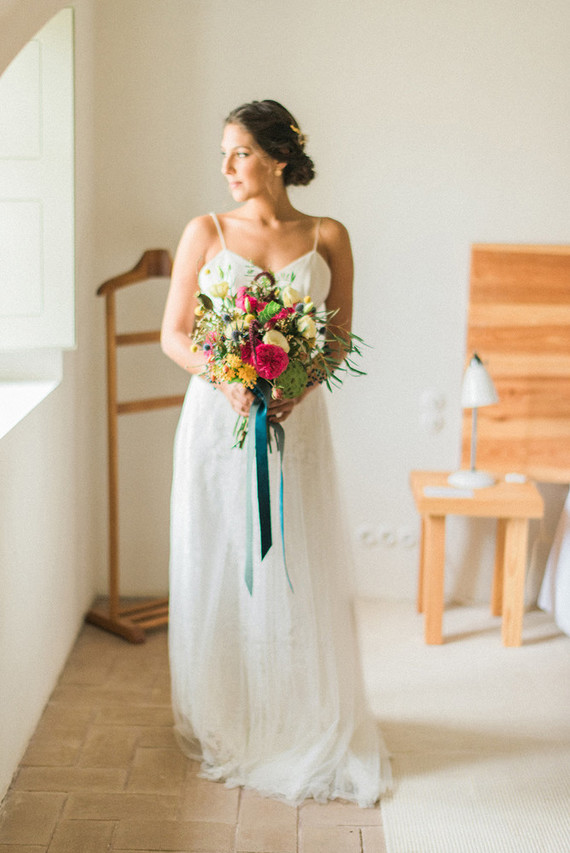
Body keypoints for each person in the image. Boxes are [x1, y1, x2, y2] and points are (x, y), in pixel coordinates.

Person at [161, 99, 391, 807]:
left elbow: (340, 338)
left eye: (240, 153)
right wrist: (226, 377)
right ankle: (230, 712)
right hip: (216, 421)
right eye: (224, 154)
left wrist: (299, 383)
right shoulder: (204, 231)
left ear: (279, 157)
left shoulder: (328, 235)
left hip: (299, 420)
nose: (227, 167)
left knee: (294, 557)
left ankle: (298, 715)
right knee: (222, 554)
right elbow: (174, 333)